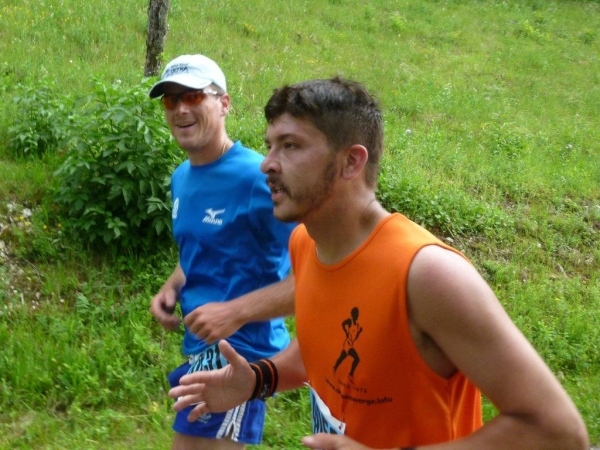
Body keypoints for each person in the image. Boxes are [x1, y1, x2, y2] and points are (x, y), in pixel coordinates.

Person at [168, 77, 589, 449]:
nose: (267, 164)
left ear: (352, 161)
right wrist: (258, 380)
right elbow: (323, 353)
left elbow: (555, 430)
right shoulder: (306, 244)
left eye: (290, 146)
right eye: (270, 145)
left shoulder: (427, 274)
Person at [148, 54, 296, 450]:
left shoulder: (258, 178)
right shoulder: (182, 176)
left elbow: (322, 273)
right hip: (201, 348)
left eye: (194, 96)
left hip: (240, 353)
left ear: (224, 104)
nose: (181, 109)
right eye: (170, 100)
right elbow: (204, 249)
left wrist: (235, 312)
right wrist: (173, 286)